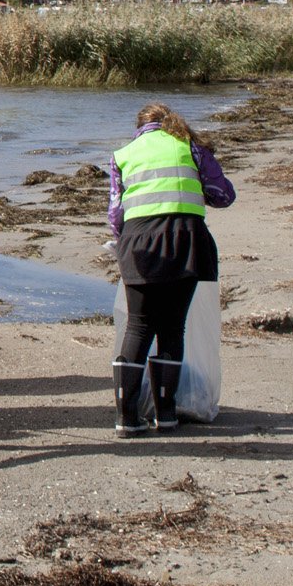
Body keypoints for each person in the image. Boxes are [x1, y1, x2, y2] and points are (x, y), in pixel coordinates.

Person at [108, 102, 235, 437]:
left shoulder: (122, 154)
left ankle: (126, 417)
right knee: (172, 328)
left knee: (137, 327)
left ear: (138, 127)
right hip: (186, 242)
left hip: (138, 246)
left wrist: (122, 243)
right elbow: (224, 196)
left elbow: (115, 215)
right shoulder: (191, 148)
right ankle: (166, 415)